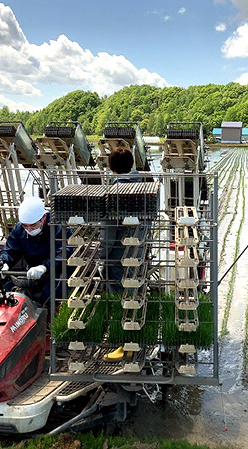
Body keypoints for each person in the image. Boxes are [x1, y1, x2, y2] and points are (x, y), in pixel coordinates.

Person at [100, 147, 144, 361]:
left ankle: (124, 346)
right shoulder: (144, 185)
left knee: (120, 300)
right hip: (139, 250)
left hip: (119, 255)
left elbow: (108, 232)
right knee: (135, 295)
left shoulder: (115, 192)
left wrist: (101, 256)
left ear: (111, 167)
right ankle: (135, 340)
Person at [0, 196, 67, 305]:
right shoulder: (19, 229)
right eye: (25, 226)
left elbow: (65, 253)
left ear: (43, 217)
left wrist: (45, 267)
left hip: (58, 272)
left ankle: (50, 318)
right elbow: (10, 249)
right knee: (7, 290)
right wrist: (4, 262)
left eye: (33, 225)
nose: (29, 230)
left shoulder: (58, 227)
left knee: (50, 296)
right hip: (32, 272)